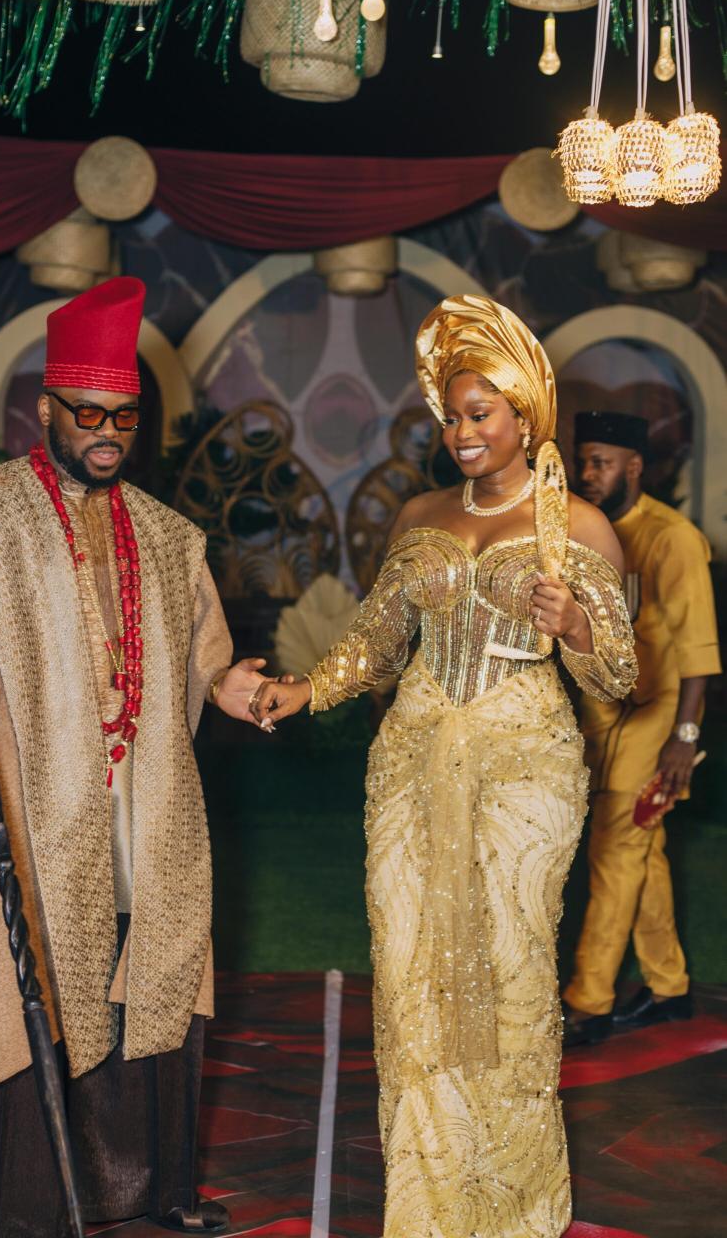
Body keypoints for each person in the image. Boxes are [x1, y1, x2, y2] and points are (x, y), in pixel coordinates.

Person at [0, 277, 272, 1237]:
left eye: (122, 417)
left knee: (147, 981)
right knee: (2, 984)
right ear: (45, 409)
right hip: (17, 804)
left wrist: (230, 687)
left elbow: (201, 660)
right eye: (87, 412)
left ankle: (134, 1189)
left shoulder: (169, 537)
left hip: (138, 807)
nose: (106, 432)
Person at [250, 295, 637, 1238]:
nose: (461, 433)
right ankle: (425, 1205)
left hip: (524, 768)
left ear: (523, 416)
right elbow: (379, 642)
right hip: (413, 757)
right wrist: (308, 689)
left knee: (510, 969)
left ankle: (510, 1205)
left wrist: (576, 627)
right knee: (408, 971)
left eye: (480, 414)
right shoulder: (420, 514)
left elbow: (619, 676)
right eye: (452, 416)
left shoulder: (580, 526)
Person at [562, 410, 722, 1045]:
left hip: (658, 716)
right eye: (583, 461)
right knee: (642, 851)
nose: (587, 473)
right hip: (603, 717)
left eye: (601, 463)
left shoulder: (672, 538)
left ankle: (589, 1001)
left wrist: (685, 739)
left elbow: (699, 649)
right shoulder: (584, 531)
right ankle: (669, 986)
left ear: (633, 467)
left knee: (615, 850)